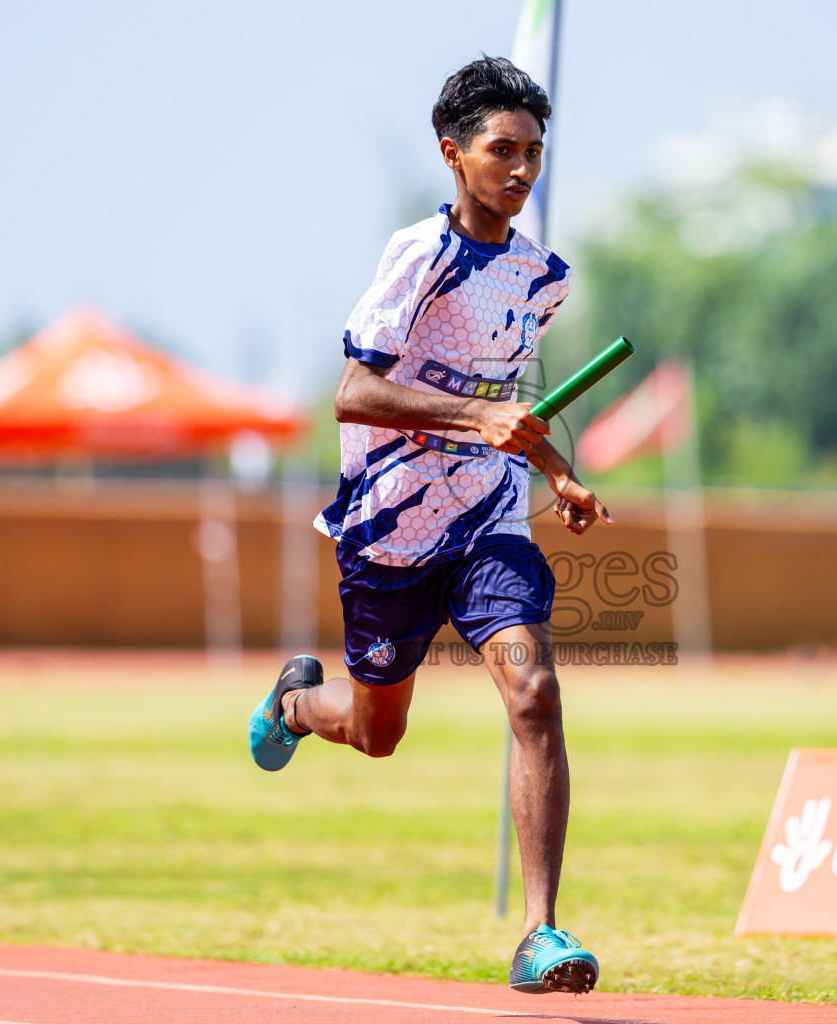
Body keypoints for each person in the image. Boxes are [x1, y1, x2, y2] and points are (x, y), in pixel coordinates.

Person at [249, 55, 610, 996]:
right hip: (391, 527)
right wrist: (472, 420)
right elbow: (353, 391)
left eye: (535, 152)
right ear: (453, 155)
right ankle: (294, 702)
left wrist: (557, 471)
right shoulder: (419, 255)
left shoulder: (542, 277)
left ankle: (540, 936)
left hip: (490, 520)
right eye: (503, 150)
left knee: (535, 698)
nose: (523, 170)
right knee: (376, 732)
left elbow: (507, 402)